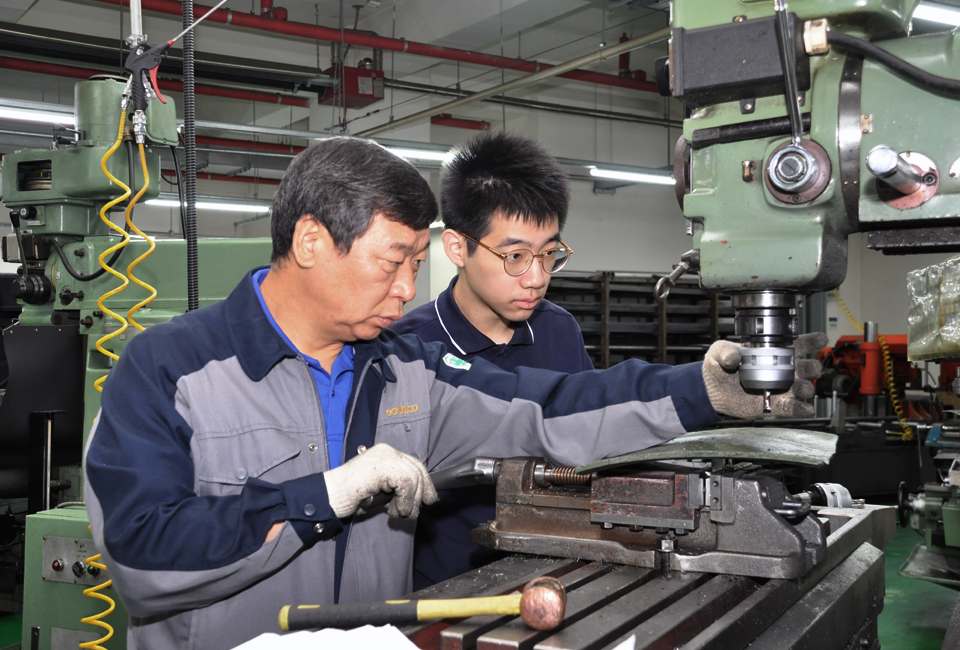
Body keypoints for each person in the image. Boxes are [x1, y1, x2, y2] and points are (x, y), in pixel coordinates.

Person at [83, 136, 822, 650]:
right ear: (311, 242)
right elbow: (145, 556)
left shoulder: (405, 371)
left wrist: (697, 392)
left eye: (415, 262)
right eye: (391, 262)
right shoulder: (167, 371)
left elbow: (551, 408)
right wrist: (324, 495)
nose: (408, 289)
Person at [392, 131, 593, 589]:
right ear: (458, 248)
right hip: (442, 591)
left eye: (549, 255)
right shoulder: (410, 347)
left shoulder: (559, 330)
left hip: (550, 573)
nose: (537, 278)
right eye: (516, 256)